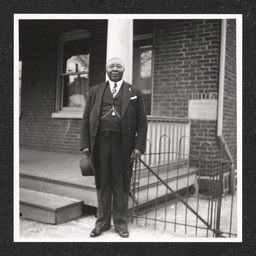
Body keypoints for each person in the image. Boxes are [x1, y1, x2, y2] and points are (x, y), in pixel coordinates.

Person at [80, 57, 147, 238]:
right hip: (100, 144)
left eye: (118, 66)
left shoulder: (134, 92)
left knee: (121, 184)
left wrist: (139, 147)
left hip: (123, 145)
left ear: (123, 70)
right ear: (106, 70)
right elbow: (86, 118)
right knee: (102, 184)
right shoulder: (95, 91)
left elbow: (142, 122)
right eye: (111, 66)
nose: (115, 69)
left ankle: (121, 224)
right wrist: (85, 144)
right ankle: (102, 223)